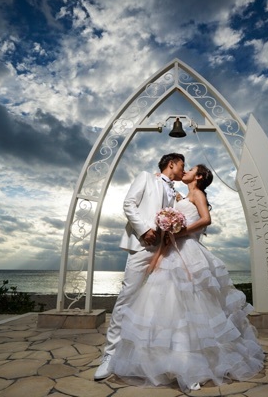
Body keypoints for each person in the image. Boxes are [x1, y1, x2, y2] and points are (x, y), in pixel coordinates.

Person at [106, 164, 265, 392]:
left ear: (198, 176)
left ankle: (194, 366)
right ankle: (168, 362)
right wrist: (158, 256)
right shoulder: (181, 196)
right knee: (167, 306)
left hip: (189, 251)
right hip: (172, 251)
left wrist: (180, 231)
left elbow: (206, 219)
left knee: (192, 306)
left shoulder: (198, 193)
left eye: (191, 169)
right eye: (185, 166)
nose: (186, 171)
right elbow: (170, 218)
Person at [94, 153, 185, 381]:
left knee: (162, 301)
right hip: (143, 245)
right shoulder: (146, 177)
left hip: (166, 251)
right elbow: (129, 204)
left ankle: (153, 355)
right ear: (171, 164)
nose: (184, 169)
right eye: (182, 165)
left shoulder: (176, 193)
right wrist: (144, 229)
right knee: (128, 296)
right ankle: (110, 354)